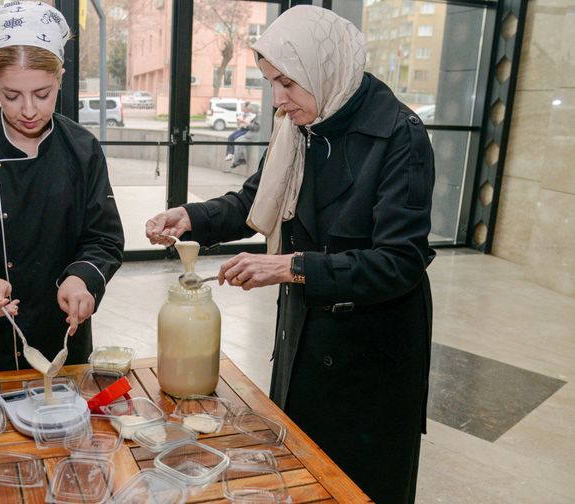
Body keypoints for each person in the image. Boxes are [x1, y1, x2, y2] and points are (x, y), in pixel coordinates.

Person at [146, 6, 434, 504]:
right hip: (307, 336)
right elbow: (254, 202)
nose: (278, 100)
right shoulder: (300, 126)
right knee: (303, 471)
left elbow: (399, 262)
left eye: (287, 83)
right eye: (270, 83)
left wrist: (292, 266)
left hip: (371, 351)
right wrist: (191, 217)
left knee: (360, 483)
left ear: (326, 69)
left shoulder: (399, 137)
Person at [0, 1, 124, 372]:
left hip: (65, 327)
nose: (29, 110)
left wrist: (82, 278)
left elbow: (104, 238)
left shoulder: (82, 149)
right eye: (11, 96)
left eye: (43, 93)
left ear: (61, 78)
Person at [224, 102, 257, 171]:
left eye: (244, 107)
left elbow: (251, 125)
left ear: (247, 108)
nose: (242, 108)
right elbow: (240, 124)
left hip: (246, 130)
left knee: (237, 138)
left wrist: (243, 121)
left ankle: (240, 158)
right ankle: (230, 153)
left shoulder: (252, 115)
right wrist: (239, 121)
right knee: (230, 137)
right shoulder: (243, 114)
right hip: (241, 129)